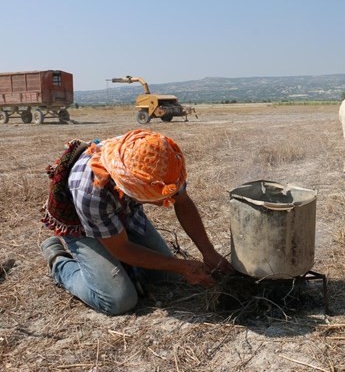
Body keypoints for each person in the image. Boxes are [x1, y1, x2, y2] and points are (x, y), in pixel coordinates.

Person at [40, 129, 235, 315]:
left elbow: (182, 201)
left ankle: (125, 270)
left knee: (166, 277)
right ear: (131, 190)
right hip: (81, 225)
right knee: (118, 299)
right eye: (156, 198)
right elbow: (122, 249)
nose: (165, 202)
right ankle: (59, 262)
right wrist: (182, 266)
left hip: (121, 212)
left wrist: (208, 252)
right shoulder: (91, 192)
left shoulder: (163, 161)